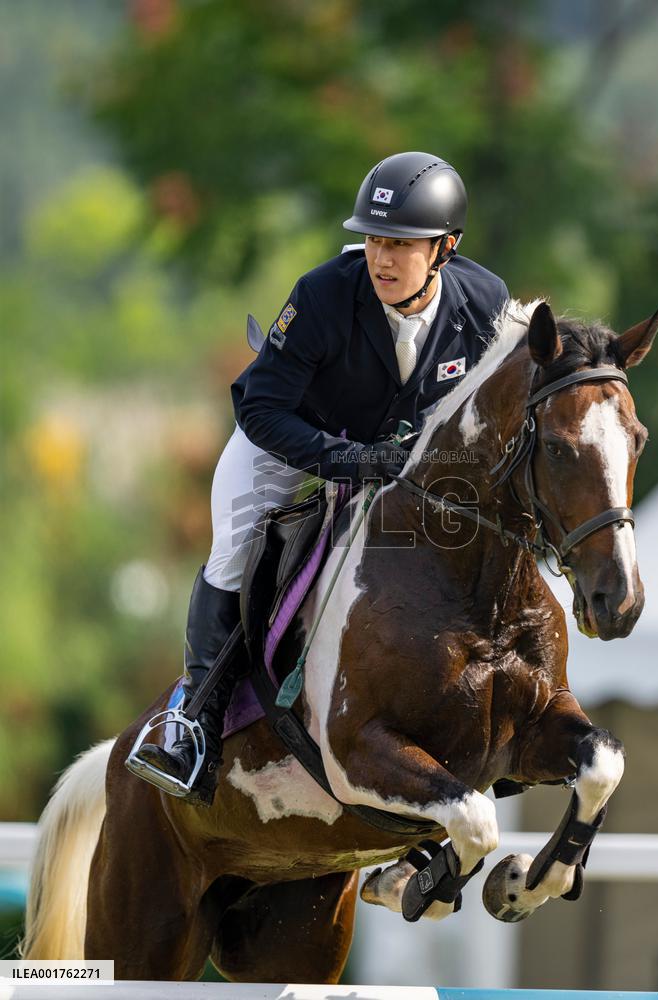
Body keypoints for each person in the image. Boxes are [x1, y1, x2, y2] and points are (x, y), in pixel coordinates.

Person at [129, 151, 509, 805]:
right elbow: (261, 408)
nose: (382, 259)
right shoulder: (323, 296)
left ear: (445, 249)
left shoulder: (485, 305)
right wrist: (348, 460)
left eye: (400, 244)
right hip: (289, 445)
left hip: (406, 464)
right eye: (373, 239)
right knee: (234, 547)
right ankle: (194, 720)